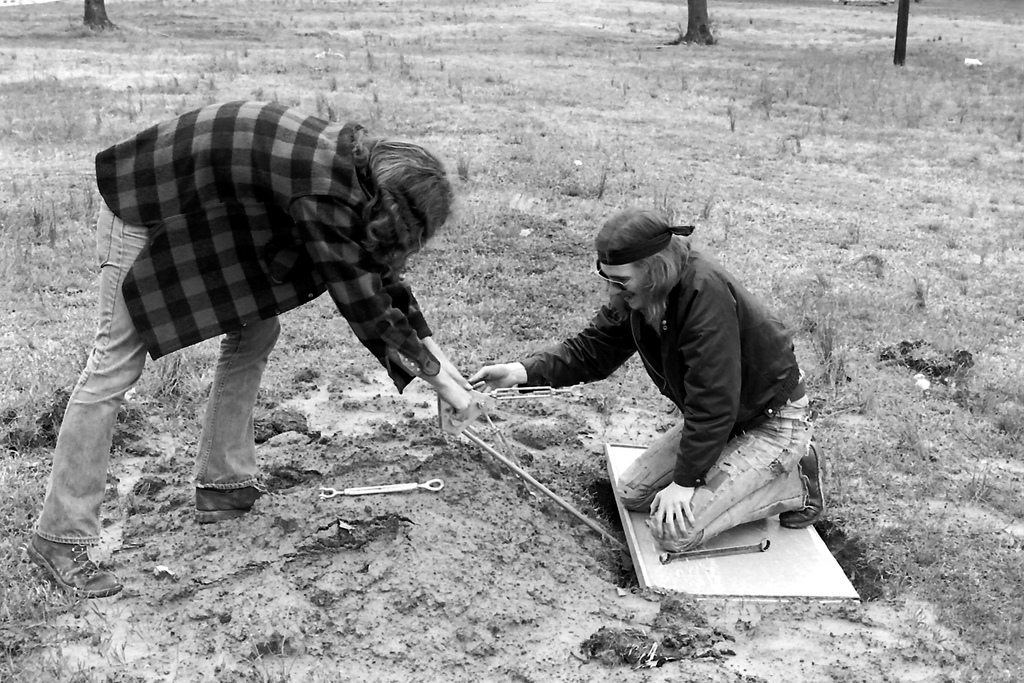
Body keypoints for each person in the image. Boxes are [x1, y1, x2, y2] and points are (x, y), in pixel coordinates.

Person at [28, 101, 481, 599]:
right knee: (113, 364)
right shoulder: (324, 192)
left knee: (256, 332)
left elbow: (382, 280)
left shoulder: (356, 172)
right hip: (142, 202)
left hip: (209, 213)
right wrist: (440, 382)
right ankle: (59, 537)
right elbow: (364, 301)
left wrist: (448, 375)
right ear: (394, 210)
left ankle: (223, 484)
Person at [470, 209, 824, 553]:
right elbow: (592, 350)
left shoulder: (704, 295)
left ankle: (796, 481)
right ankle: (737, 465)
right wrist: (520, 371)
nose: (612, 292)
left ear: (655, 270)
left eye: (620, 281)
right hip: (728, 418)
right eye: (606, 278)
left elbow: (714, 399)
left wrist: (686, 483)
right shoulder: (641, 294)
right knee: (632, 493)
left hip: (771, 421)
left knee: (673, 533)